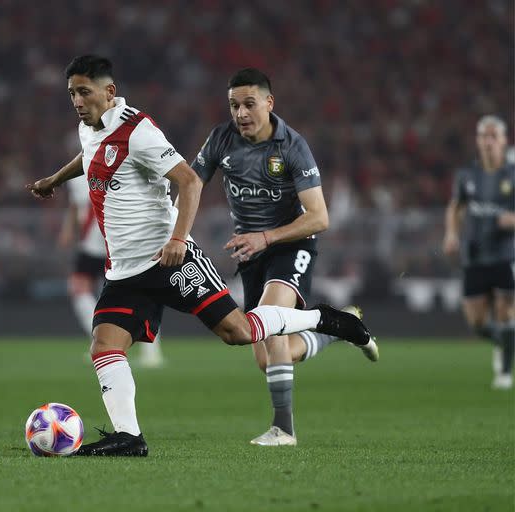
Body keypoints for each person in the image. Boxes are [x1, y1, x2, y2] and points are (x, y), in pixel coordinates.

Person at [28, 55, 374, 456]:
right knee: (104, 347)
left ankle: (327, 319)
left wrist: (178, 239)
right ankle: (129, 437)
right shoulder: (89, 129)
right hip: (123, 270)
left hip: (168, 258)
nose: (76, 100)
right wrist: (54, 179)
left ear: (109, 92)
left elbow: (190, 182)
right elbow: (90, 157)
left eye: (84, 92)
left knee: (239, 334)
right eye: (72, 92)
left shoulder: (138, 131)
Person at [190, 68, 379, 445]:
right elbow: (193, 181)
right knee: (270, 356)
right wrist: (176, 231)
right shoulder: (221, 139)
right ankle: (339, 327)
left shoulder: (292, 146)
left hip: (292, 245)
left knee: (273, 322)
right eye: (233, 105)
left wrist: (266, 236)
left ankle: (283, 429)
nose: (240, 113)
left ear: (269, 103)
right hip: (252, 253)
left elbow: (320, 217)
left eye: (248, 104)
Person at [60, 176, 165, 367]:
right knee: (139, 293)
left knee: (83, 290)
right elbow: (76, 206)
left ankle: (107, 344)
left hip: (107, 244)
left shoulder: (85, 171)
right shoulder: (106, 167)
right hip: (116, 244)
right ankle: (148, 352)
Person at [443, 115, 515, 390]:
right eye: (483, 136)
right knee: (477, 322)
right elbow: (456, 206)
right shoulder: (467, 175)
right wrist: (451, 234)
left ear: (504, 140)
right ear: (477, 140)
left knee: (507, 312)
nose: (488, 141)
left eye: (493, 136)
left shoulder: (512, 175)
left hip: (507, 254)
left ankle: (505, 372)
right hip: (474, 255)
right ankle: (504, 342)